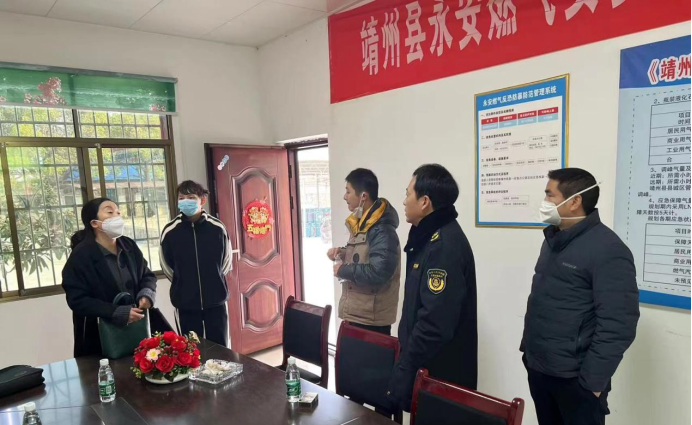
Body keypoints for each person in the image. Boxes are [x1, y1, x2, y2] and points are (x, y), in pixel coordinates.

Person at [521, 168, 640, 425]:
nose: (545, 202)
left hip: (575, 381)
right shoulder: (553, 239)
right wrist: (528, 354)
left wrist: (592, 383)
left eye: (550, 195)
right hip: (541, 368)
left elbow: (619, 324)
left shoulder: (608, 249)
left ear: (574, 201)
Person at [387, 164, 478, 412]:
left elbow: (434, 323)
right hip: (425, 367)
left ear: (425, 201)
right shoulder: (427, 236)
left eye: (408, 194)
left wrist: (405, 366)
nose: (404, 201)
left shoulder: (443, 246)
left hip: (439, 374)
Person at [63, 198, 157, 357]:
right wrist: (116, 312)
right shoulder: (81, 255)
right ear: (94, 223)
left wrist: (147, 294)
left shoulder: (128, 245)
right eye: (109, 212)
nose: (117, 216)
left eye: (118, 212)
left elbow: (147, 275)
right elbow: (77, 300)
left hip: (137, 329)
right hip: (99, 336)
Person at [328, 169, 401, 336]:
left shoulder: (381, 229)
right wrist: (342, 253)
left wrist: (343, 270)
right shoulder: (363, 222)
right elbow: (363, 254)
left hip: (371, 320)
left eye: (348, 191)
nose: (345, 197)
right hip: (359, 313)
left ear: (363, 196)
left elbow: (379, 271)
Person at [160, 181, 232, 347]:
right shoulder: (170, 231)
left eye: (191, 197)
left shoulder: (217, 228)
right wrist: (182, 282)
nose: (186, 201)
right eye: (181, 198)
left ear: (202, 200)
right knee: (189, 350)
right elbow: (167, 266)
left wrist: (214, 279)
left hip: (216, 301)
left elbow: (226, 262)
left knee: (220, 348)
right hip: (185, 303)